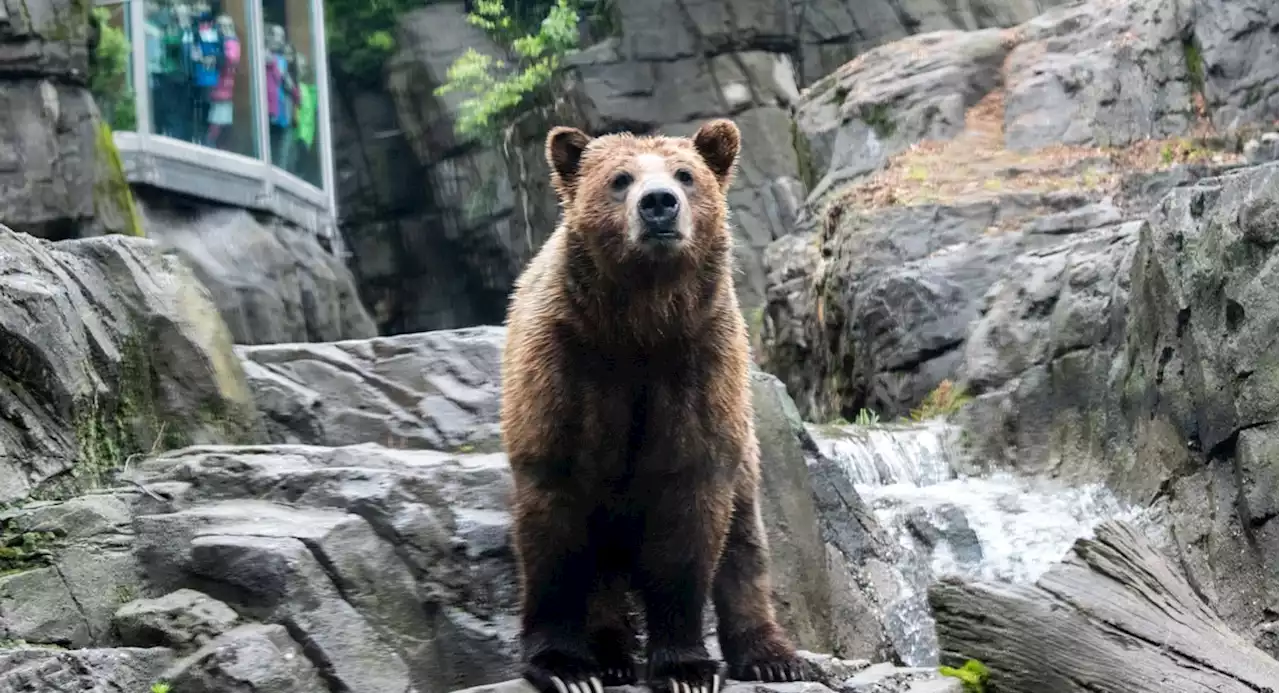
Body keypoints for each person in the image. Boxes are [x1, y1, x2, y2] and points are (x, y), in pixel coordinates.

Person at [205, 14, 240, 149]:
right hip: (212, 87)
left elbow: (231, 59)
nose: (223, 29)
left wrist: (214, 58)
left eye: (227, 26)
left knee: (217, 122)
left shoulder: (231, 42)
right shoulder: (214, 40)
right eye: (220, 26)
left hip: (223, 88)